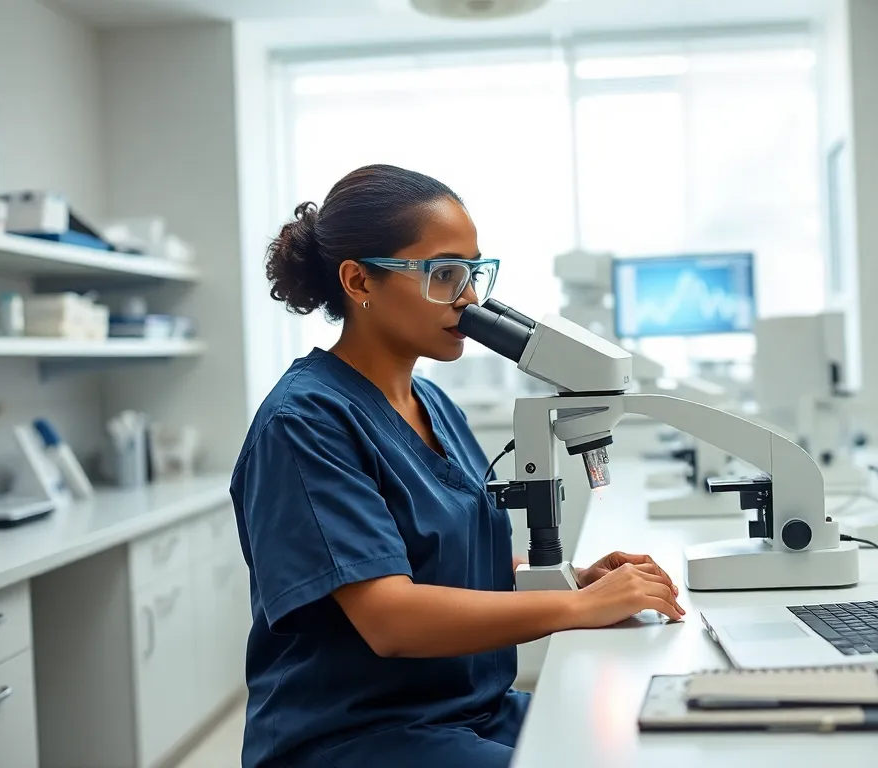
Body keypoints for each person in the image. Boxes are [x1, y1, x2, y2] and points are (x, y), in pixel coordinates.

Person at [231, 164, 686, 768]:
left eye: (473, 273)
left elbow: (448, 558)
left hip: (472, 710)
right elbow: (391, 618)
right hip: (358, 737)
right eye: (445, 274)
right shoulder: (304, 424)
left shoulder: (435, 406)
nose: (469, 297)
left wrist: (573, 578)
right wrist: (577, 610)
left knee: (640, 736)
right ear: (358, 280)